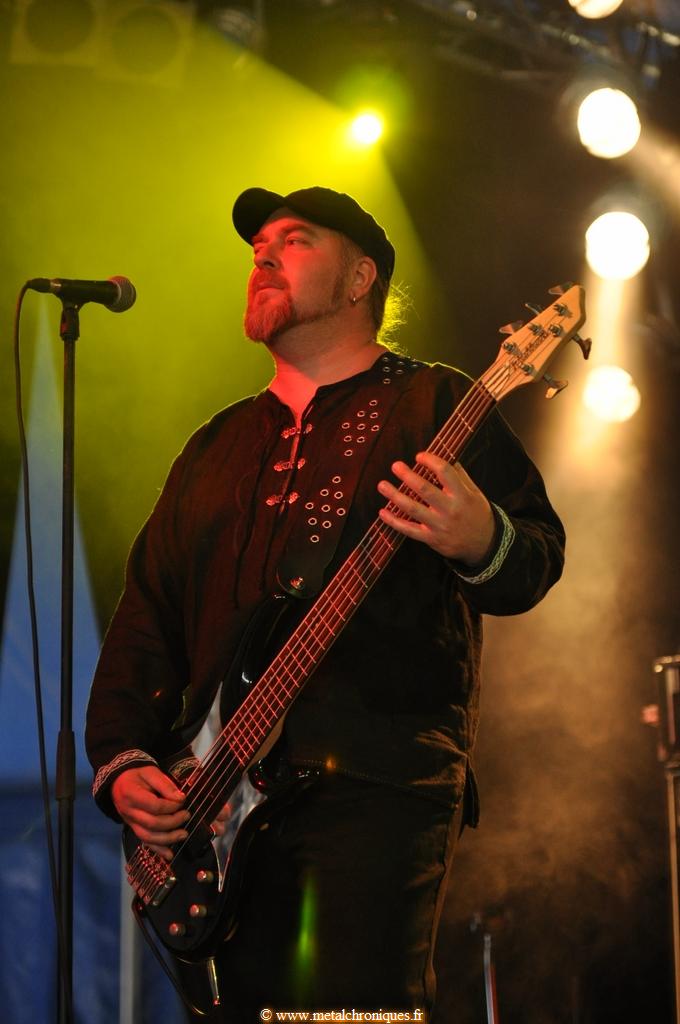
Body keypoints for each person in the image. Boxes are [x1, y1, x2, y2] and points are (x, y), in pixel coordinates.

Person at [85, 186, 565, 1021]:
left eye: (295, 240)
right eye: (257, 247)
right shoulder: (215, 445)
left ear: (360, 278)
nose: (263, 256)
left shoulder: (437, 404)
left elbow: (537, 555)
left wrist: (481, 536)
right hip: (216, 812)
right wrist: (125, 762)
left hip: (378, 785)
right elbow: (147, 617)